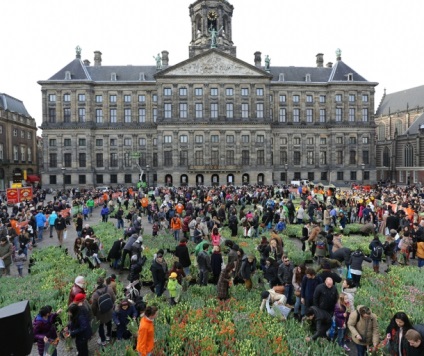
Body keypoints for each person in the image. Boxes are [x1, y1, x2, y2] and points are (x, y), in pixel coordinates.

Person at [90, 276, 116, 346]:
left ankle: (103, 340)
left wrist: (95, 314)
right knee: (109, 324)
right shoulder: (109, 289)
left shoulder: (95, 294)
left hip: (100, 314)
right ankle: (108, 336)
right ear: (104, 282)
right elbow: (114, 299)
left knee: (100, 327)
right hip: (109, 311)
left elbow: (93, 307)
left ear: (97, 284)